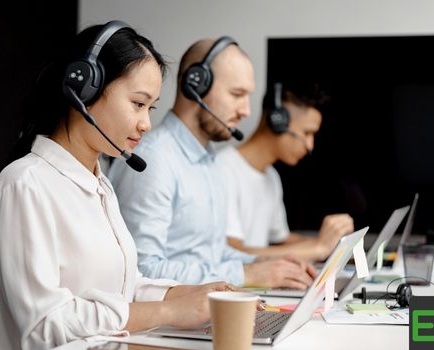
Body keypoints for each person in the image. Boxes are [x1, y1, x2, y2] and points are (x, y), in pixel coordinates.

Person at [0, 21, 236, 350]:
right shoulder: (25, 184)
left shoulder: (99, 182)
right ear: (84, 87)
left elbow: (118, 288)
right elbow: (43, 328)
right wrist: (170, 310)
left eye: (150, 108)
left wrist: (186, 294)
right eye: (138, 104)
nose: (146, 124)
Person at [108, 37, 316, 289]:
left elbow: (214, 255)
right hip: (163, 324)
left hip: (205, 312)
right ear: (196, 84)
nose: (246, 111)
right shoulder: (154, 160)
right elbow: (141, 270)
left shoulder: (209, 161)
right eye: (237, 94)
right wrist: (246, 275)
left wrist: (267, 264)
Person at [216, 82, 354, 261]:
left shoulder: (271, 176)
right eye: (307, 133)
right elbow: (233, 253)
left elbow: (281, 241)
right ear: (277, 121)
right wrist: (318, 249)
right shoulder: (223, 169)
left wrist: (334, 243)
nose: (310, 146)